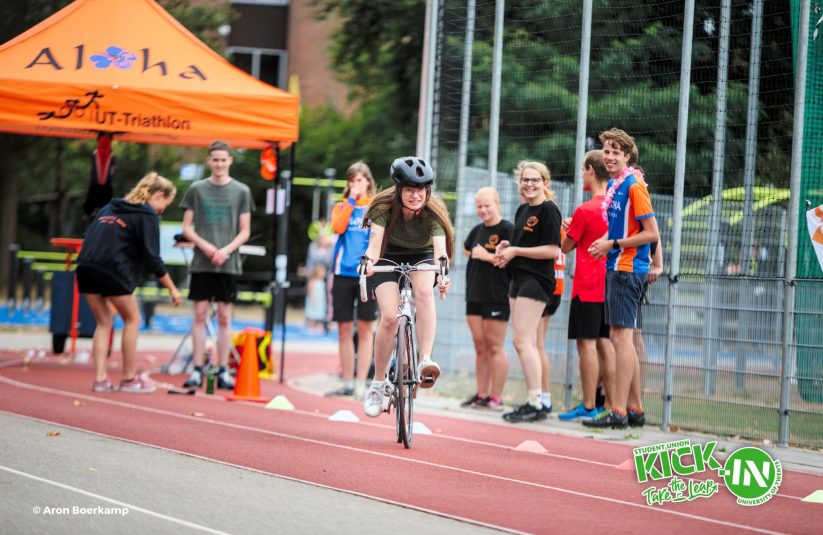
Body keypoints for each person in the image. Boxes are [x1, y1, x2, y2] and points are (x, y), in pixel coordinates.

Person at [361, 157, 454, 418]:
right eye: (410, 190)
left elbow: (439, 251)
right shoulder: (382, 206)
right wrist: (368, 261)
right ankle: (378, 383)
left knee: (424, 292)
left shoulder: (433, 210)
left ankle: (424, 359)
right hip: (387, 255)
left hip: (422, 255)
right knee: (390, 318)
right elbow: (375, 243)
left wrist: (442, 273)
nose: (416, 196)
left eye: (421, 190)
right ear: (399, 189)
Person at [77, 172, 182, 393]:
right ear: (159, 195)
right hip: (113, 269)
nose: (162, 210)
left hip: (86, 266)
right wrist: (173, 289)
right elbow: (153, 259)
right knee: (132, 319)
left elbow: (89, 236)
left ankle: (100, 379)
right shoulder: (147, 214)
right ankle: (128, 379)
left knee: (104, 323)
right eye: (165, 204)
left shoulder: (108, 208)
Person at [585, 128, 659, 429]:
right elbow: (624, 229)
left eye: (616, 151)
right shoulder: (617, 185)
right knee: (620, 337)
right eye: (607, 150)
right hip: (618, 265)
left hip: (628, 269)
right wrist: (605, 242)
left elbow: (651, 232)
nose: (610, 155)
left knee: (621, 339)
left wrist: (613, 246)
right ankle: (634, 409)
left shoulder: (633, 185)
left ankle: (618, 411)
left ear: (627, 156)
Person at [180, 140, 254, 390]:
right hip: (203, 262)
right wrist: (208, 247)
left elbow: (245, 231)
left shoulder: (242, 191)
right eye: (215, 159)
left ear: (230, 161)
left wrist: (225, 250)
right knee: (199, 314)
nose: (220, 164)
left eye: (224, 159)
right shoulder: (197, 189)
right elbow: (187, 227)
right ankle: (197, 369)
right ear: (209, 161)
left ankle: (222, 369)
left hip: (227, 263)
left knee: (224, 316)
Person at [494, 161, 562, 423]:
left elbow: (551, 250)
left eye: (535, 180)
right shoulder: (523, 209)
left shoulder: (549, 210)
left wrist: (516, 251)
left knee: (524, 341)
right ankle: (536, 399)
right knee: (525, 341)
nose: (529, 184)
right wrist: (507, 247)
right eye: (525, 180)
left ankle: (536, 402)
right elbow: (523, 244)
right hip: (518, 278)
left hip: (537, 280)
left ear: (545, 183)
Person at [558, 150, 615, 421]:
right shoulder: (617, 205)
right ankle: (612, 404)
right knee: (607, 342)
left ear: (592, 170)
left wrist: (567, 227)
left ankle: (590, 404)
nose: (582, 174)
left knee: (587, 344)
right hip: (611, 283)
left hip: (588, 284)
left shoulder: (586, 209)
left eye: (584, 169)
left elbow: (565, 246)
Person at [325, 161, 379, 398]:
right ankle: (347, 382)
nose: (355, 184)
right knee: (344, 329)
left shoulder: (376, 207)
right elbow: (337, 227)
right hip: (342, 273)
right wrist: (350, 200)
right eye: (352, 181)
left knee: (366, 330)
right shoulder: (341, 206)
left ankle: (361, 382)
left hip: (367, 274)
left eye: (359, 180)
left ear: (368, 181)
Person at [461, 187, 513, 410]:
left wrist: (487, 256)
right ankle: (481, 393)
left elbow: (509, 260)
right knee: (479, 346)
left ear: (497, 204)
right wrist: (476, 254)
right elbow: (466, 250)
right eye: (479, 206)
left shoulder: (508, 229)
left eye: (487, 205)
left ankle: (496, 396)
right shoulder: (476, 230)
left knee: (495, 346)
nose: (483, 210)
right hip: (474, 293)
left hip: (496, 295)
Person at [535, 228, 565, 413]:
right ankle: (541, 395)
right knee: (537, 344)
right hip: (555, 288)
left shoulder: (548, 224)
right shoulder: (559, 227)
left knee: (536, 345)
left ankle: (543, 397)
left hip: (547, 288)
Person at [304, 265, 328, 333]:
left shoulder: (322, 282)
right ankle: (310, 327)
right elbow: (310, 291)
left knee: (320, 315)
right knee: (312, 314)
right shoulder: (313, 281)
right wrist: (313, 299)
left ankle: (319, 327)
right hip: (314, 300)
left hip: (321, 301)